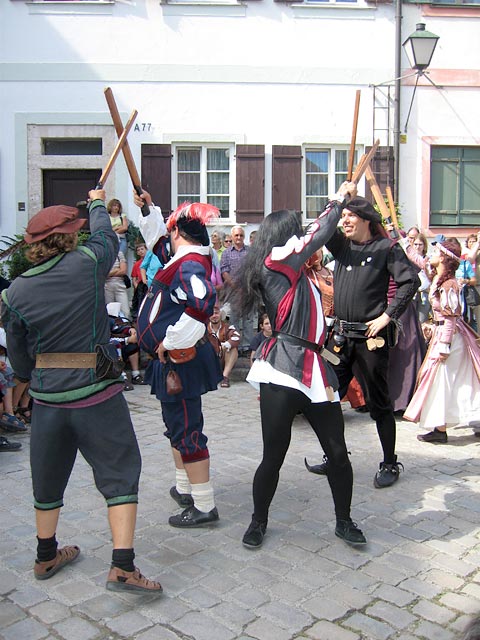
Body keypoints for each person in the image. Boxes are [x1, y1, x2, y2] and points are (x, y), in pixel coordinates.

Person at [1, 193, 162, 593]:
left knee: (47, 476)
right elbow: (106, 234)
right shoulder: (87, 263)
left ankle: (45, 555)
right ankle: (122, 566)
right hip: (98, 395)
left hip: (48, 399)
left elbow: (20, 363)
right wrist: (95, 202)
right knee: (121, 473)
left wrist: (36, 375)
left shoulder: (12, 294)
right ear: (70, 237)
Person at [238, 180, 367, 549]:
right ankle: (257, 521)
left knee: (339, 454)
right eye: (296, 232)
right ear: (284, 236)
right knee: (273, 456)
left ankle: (344, 521)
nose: (302, 238)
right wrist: (338, 199)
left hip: (314, 367)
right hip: (282, 367)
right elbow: (318, 233)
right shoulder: (275, 261)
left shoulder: (296, 271)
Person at [312, 196, 420, 488]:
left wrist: (387, 316)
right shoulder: (341, 246)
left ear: (366, 220)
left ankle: (389, 462)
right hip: (340, 339)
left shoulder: (387, 248)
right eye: (343, 216)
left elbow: (411, 282)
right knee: (328, 395)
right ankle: (335, 456)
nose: (344, 220)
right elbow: (322, 224)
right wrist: (336, 198)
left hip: (372, 340)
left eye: (350, 216)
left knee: (379, 404)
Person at [134, 189, 222, 528]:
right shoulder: (183, 257)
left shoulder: (190, 262)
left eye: (170, 231)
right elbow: (157, 240)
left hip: (180, 360)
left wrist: (170, 342)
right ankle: (186, 488)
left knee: (187, 430)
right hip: (173, 361)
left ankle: (204, 504)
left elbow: (201, 303)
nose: (164, 239)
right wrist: (149, 207)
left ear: (178, 233)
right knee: (177, 427)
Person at [403, 238, 480, 443]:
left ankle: (441, 428)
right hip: (444, 337)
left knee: (445, 381)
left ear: (445, 258)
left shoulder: (449, 285)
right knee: (442, 382)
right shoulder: (438, 278)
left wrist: (444, 344)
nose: (433, 255)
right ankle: (440, 427)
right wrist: (402, 240)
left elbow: (451, 318)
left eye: (437, 252)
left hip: (451, 340)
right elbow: (419, 260)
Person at [220, 226, 254, 354]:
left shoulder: (250, 251)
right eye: (236, 235)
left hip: (248, 290)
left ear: (244, 237)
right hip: (233, 291)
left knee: (248, 319)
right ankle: (235, 345)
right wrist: (234, 284)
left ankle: (247, 347)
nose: (238, 237)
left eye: (241, 235)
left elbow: (254, 269)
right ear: (232, 237)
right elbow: (224, 270)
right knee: (234, 319)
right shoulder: (226, 253)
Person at [207, 303, 240, 388]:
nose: (214, 316)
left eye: (216, 313)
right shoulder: (203, 328)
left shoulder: (228, 328)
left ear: (221, 315)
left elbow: (236, 337)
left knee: (233, 349)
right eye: (212, 314)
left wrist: (225, 345)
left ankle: (224, 377)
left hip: (222, 359)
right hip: (208, 360)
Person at [104, 250, 130, 319]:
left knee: (125, 311)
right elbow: (103, 273)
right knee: (110, 312)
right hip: (107, 286)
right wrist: (116, 270)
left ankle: (126, 327)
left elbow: (123, 271)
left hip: (120, 285)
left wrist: (109, 273)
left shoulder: (119, 253)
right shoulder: (102, 254)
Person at [412, 233, 432, 323]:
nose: (417, 247)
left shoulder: (429, 259)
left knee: (422, 321)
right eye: (415, 244)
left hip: (425, 293)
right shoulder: (409, 258)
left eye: (420, 244)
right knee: (411, 322)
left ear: (424, 246)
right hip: (412, 294)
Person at [130, 240, 148, 320]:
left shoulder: (152, 261)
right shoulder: (137, 264)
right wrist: (137, 287)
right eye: (138, 250)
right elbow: (134, 278)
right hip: (140, 289)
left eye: (142, 249)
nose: (140, 251)